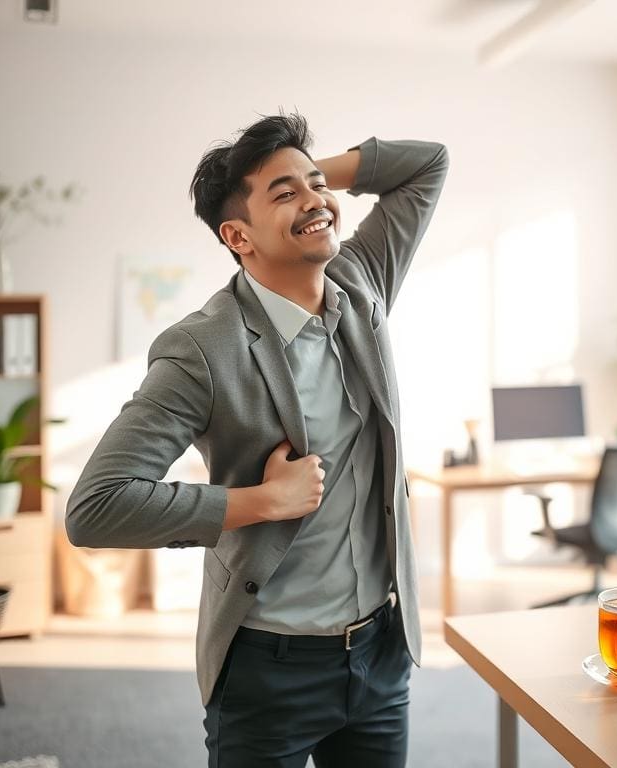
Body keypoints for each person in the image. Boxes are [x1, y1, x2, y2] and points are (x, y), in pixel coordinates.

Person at [66, 113, 449, 767]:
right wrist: (260, 502)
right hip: (270, 670)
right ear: (237, 235)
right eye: (284, 194)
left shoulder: (361, 287)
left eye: (316, 184)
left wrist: (308, 177)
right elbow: (96, 506)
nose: (315, 200)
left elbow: (427, 163)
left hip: (381, 652)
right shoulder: (204, 348)